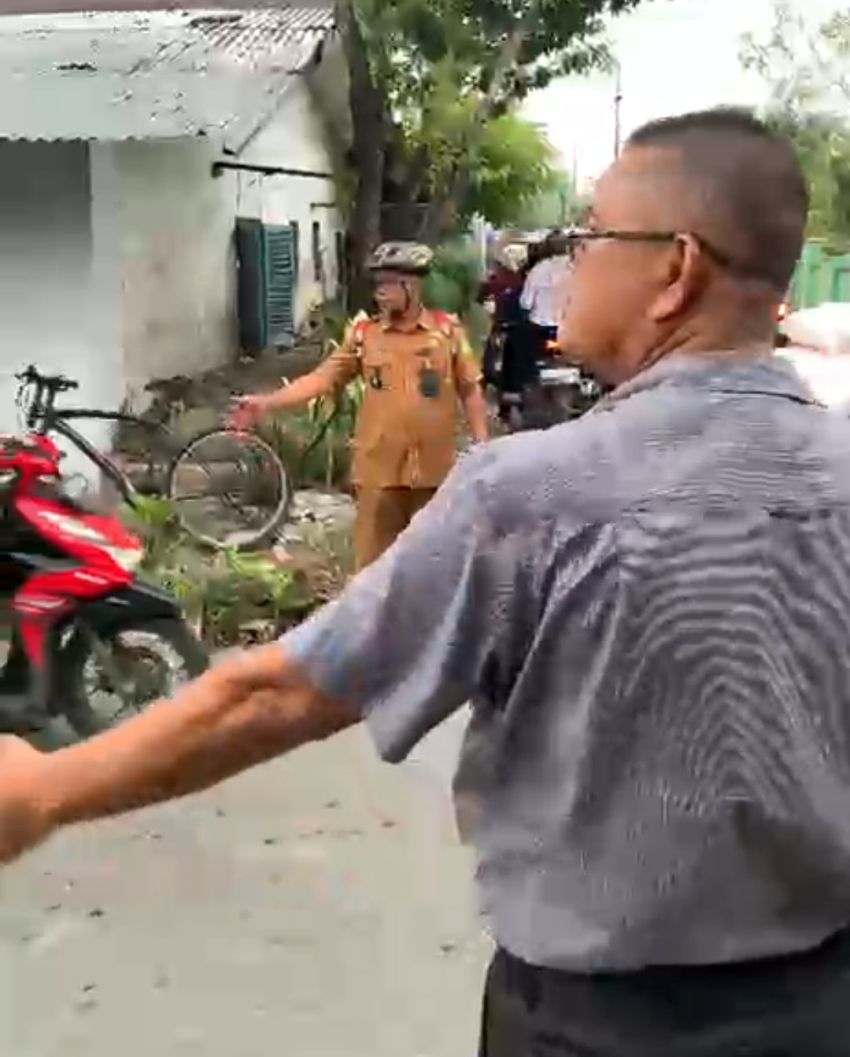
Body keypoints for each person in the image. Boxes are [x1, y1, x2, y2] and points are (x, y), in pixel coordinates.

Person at [4, 109, 850, 1057]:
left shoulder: (534, 494)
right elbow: (323, 383)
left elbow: (276, 691)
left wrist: (48, 790)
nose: (568, 261)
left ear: (675, 269)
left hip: (594, 1027)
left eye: (590, 235)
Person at [230, 241, 489, 570]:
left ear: (411, 286)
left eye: (387, 284)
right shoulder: (365, 335)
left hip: (434, 473)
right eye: (377, 284)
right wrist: (267, 402)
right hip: (378, 472)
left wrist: (482, 445)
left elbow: (470, 388)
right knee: (372, 570)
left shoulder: (447, 331)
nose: (379, 292)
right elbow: (322, 379)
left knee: (434, 567)